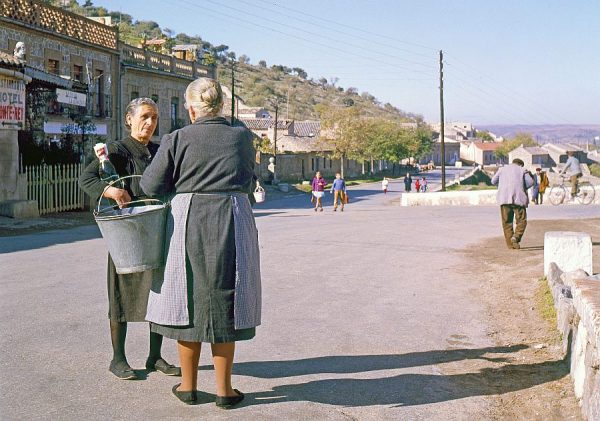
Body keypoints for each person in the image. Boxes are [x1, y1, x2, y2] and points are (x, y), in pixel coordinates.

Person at [140, 77, 260, 408]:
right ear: (220, 105)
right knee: (226, 298)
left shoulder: (177, 138)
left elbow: (151, 186)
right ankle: (225, 390)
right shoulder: (242, 137)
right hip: (232, 218)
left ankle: (189, 386)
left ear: (192, 109)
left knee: (186, 298)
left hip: (187, 221)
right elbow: (249, 181)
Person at [79, 98, 180, 380]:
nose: (150, 123)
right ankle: (118, 358)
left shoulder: (160, 152)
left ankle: (154, 356)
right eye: (145, 117)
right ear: (129, 119)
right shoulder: (116, 151)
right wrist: (112, 192)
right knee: (121, 295)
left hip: (155, 231)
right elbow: (86, 180)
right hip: (126, 234)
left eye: (155, 118)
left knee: (157, 294)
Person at [491, 158, 534, 250]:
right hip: (518, 198)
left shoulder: (502, 169)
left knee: (507, 222)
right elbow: (530, 182)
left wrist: (503, 185)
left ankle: (511, 245)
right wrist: (522, 186)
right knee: (522, 220)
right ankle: (516, 237)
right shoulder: (522, 170)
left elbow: (493, 181)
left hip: (504, 198)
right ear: (520, 165)